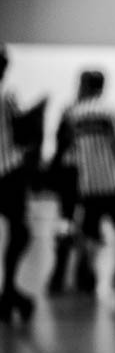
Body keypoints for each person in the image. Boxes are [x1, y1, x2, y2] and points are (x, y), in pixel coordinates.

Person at [63, 70, 115, 298]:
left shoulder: (73, 112)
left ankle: (91, 271)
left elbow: (70, 149)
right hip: (112, 182)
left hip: (88, 182)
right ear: (102, 87)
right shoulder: (110, 111)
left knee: (91, 230)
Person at [0, 44, 41, 323]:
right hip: (7, 173)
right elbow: (24, 134)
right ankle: (9, 289)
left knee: (19, 233)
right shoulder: (7, 95)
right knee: (20, 233)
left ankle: (10, 291)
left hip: (8, 171)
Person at [46, 72, 89, 294]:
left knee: (67, 219)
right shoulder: (95, 111)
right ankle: (78, 270)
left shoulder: (71, 110)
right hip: (83, 171)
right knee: (79, 220)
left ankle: (63, 270)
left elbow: (60, 141)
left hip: (71, 170)